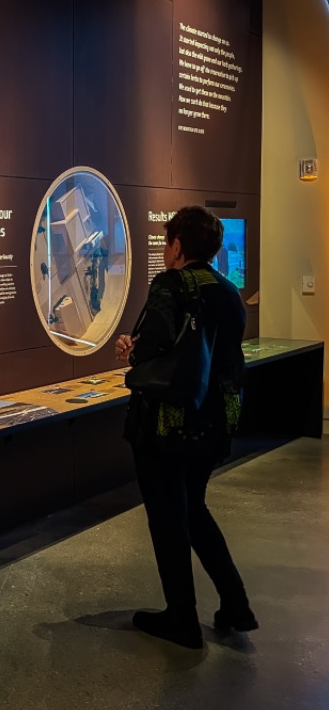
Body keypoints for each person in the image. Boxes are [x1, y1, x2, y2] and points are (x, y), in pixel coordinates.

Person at [115, 205, 257, 649]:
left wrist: (132, 350)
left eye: (165, 242)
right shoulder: (227, 291)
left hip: (166, 426)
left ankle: (182, 618)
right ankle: (236, 605)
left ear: (177, 246)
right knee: (194, 509)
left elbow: (153, 350)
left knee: (167, 519)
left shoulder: (170, 284)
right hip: (214, 423)